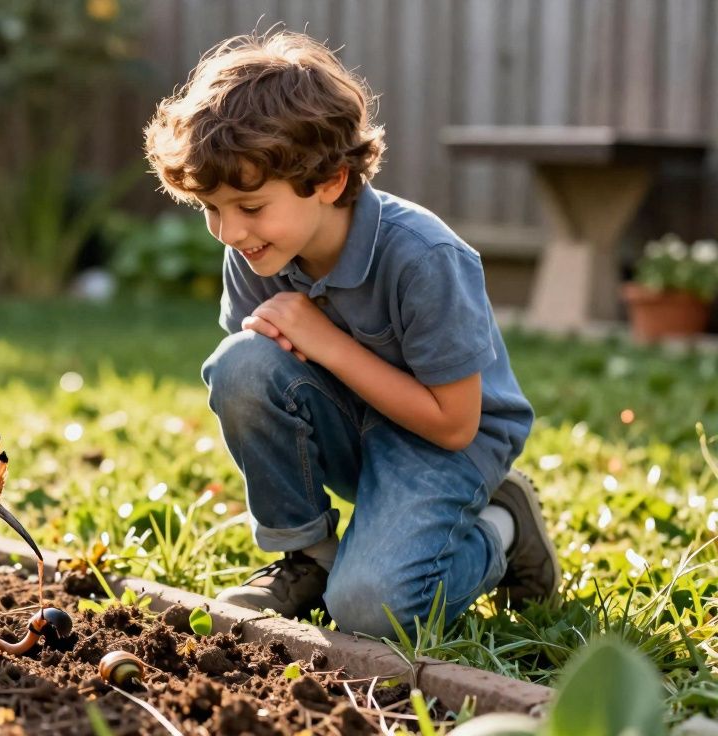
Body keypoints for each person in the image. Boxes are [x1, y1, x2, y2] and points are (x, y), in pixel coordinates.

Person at [143, 31, 559, 637]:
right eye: (212, 208)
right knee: (242, 363)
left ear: (332, 182)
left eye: (251, 207)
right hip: (352, 424)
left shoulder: (423, 258)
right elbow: (257, 383)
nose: (229, 231)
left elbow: (455, 424)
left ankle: (503, 527)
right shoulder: (257, 250)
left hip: (445, 446)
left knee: (371, 611)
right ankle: (308, 558)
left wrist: (324, 341)